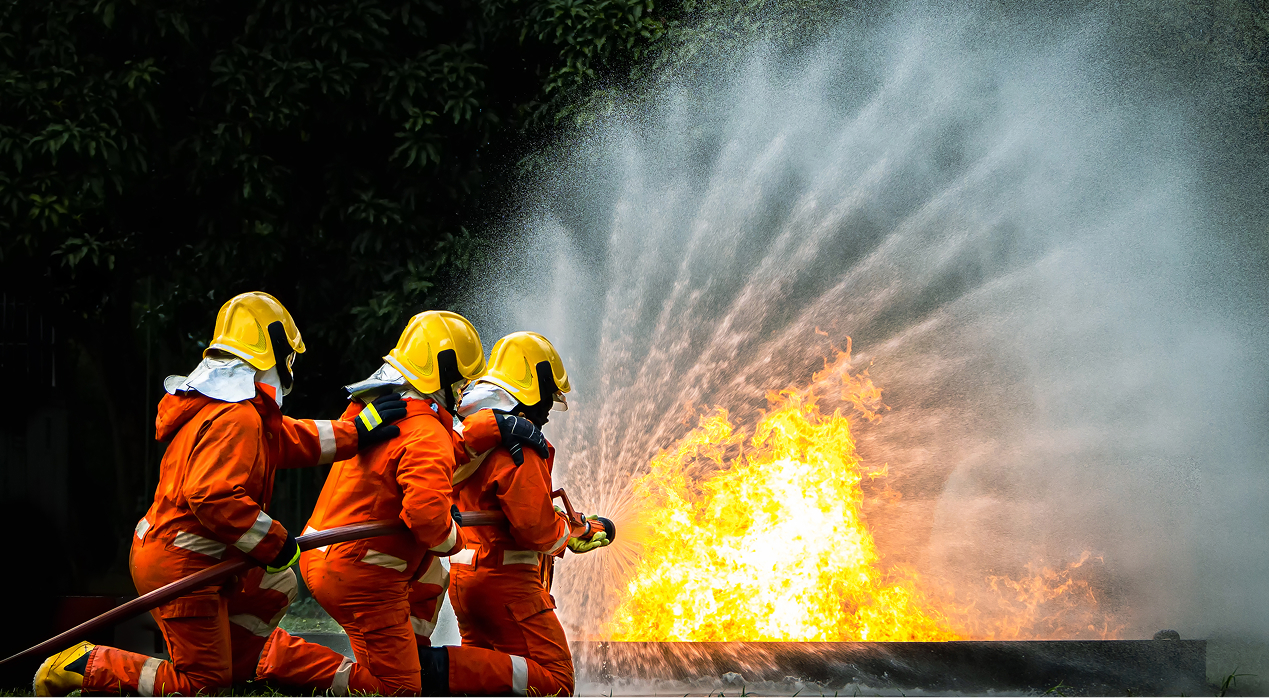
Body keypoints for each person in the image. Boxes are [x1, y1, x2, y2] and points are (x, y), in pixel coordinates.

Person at [33, 292, 406, 697]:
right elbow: (212, 496)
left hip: (186, 553)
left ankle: (240, 661)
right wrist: (274, 541)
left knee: (276, 583)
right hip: (184, 564)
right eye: (288, 356)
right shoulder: (237, 418)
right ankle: (84, 665)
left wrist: (357, 431)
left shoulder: (231, 411)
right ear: (273, 351)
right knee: (203, 686)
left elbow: (288, 439)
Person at [254, 311, 551, 696]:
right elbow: (429, 522)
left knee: (430, 576)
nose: (463, 391)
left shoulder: (384, 412)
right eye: (460, 381)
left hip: (335, 556)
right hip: (363, 571)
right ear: (442, 374)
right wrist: (456, 535)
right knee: (399, 690)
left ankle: (410, 656)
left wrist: (495, 426)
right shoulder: (426, 433)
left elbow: (447, 449)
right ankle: (274, 656)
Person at [423, 331, 613, 697]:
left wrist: (561, 528)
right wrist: (571, 531)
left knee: (490, 678)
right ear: (532, 389)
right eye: (547, 398)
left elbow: (503, 508)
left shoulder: (469, 435)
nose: (547, 412)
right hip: (508, 585)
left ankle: (439, 669)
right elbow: (534, 529)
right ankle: (433, 668)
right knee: (555, 682)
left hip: (466, 580)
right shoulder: (519, 445)